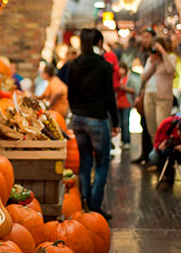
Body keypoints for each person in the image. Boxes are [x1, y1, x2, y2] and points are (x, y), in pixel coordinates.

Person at [67, 28, 119, 220]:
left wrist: (75, 111)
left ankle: (84, 204)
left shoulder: (73, 65)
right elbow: (109, 96)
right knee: (102, 163)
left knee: (85, 163)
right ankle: (95, 207)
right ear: (98, 43)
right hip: (97, 118)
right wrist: (115, 121)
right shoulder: (103, 66)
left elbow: (70, 93)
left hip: (78, 119)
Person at [140, 37, 176, 150]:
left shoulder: (170, 57)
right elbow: (143, 77)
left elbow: (170, 70)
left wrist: (163, 53)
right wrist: (152, 62)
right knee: (151, 129)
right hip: (149, 96)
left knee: (162, 128)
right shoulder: (151, 60)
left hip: (163, 97)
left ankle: (163, 158)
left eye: (157, 47)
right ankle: (157, 154)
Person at [133, 28, 156, 164]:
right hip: (146, 93)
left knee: (152, 125)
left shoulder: (155, 53)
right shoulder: (143, 52)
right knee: (144, 124)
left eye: (147, 37)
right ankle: (145, 154)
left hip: (154, 93)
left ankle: (152, 156)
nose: (145, 39)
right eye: (143, 37)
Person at [117, 62, 139, 149]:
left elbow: (134, 90)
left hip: (126, 103)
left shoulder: (129, 79)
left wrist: (124, 87)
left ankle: (127, 141)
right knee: (121, 124)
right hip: (118, 104)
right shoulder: (117, 79)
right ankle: (123, 140)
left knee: (126, 123)